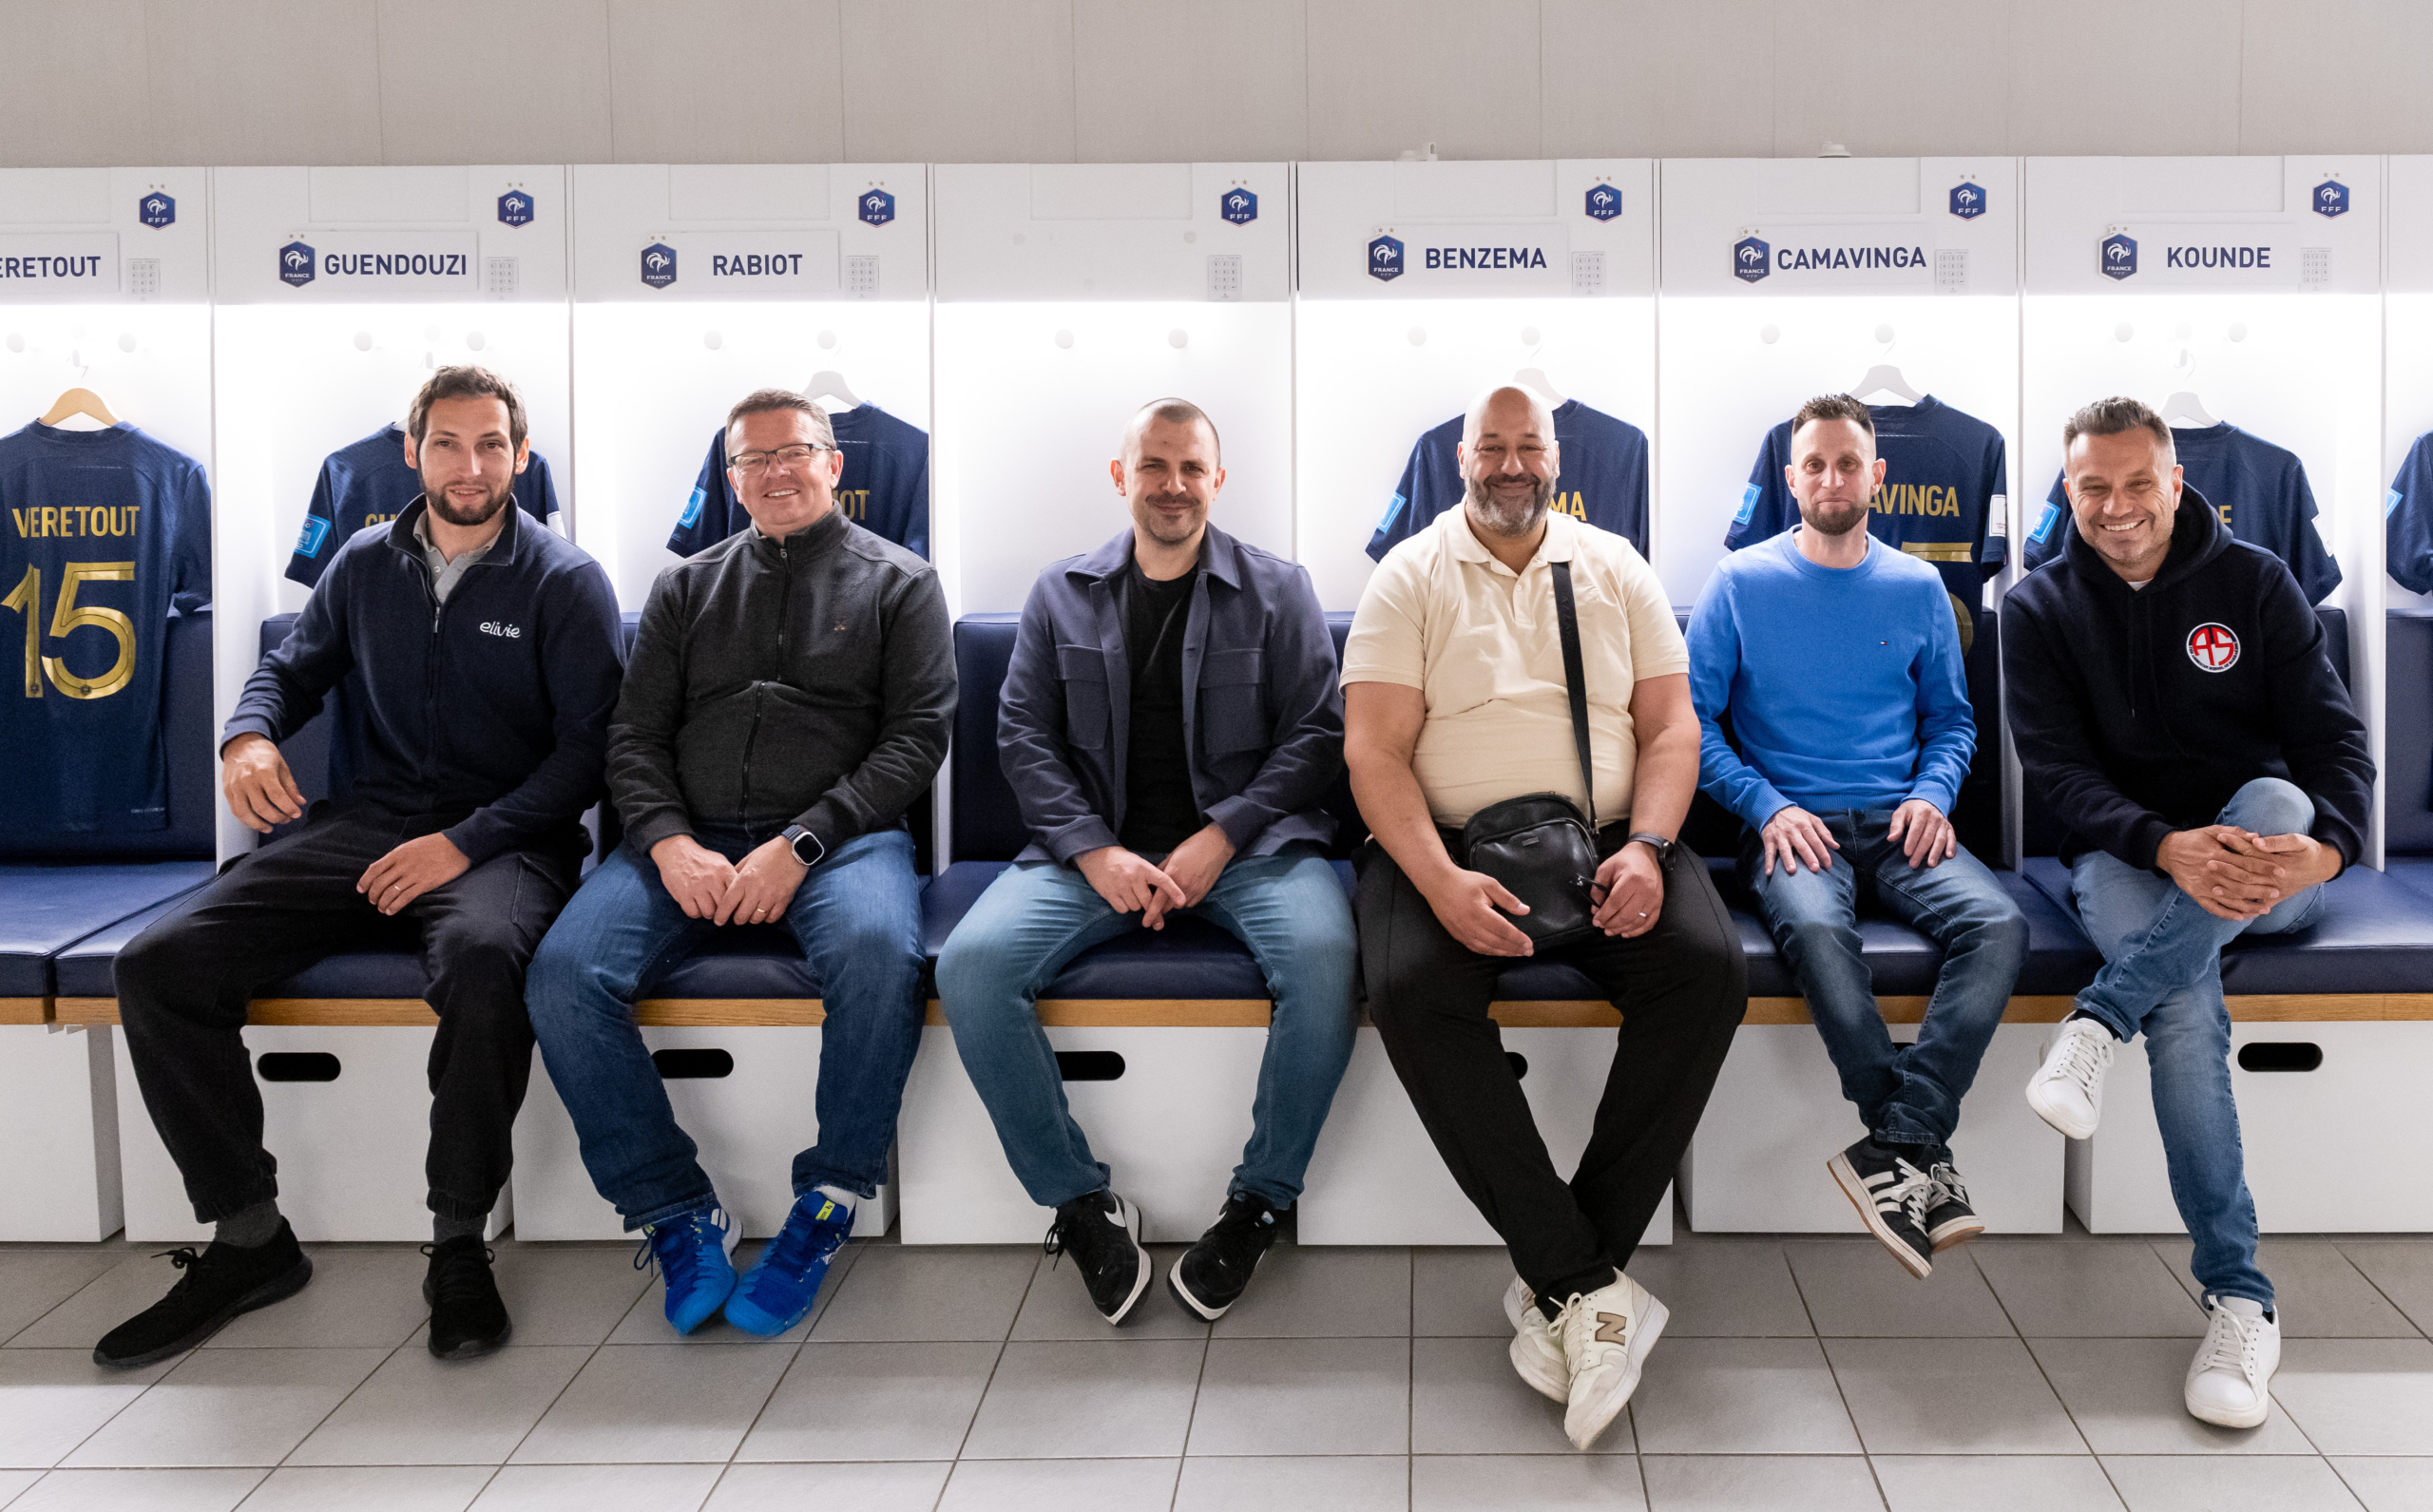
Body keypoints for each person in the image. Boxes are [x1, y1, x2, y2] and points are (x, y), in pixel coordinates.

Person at [99, 367, 623, 1368]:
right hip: (365, 825)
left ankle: (458, 1242)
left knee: (482, 963)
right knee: (158, 965)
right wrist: (247, 737)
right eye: (447, 443)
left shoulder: (564, 579)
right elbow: (289, 670)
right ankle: (250, 1238)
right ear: (412, 452)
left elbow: (587, 756)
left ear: (520, 455)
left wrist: (463, 842)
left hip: (506, 839)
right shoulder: (362, 562)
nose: (470, 466)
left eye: (491, 445)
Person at [1342, 385, 1745, 1450]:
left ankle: (1568, 1278)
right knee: (1410, 989)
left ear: (1555, 460)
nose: (1511, 464)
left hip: (1608, 839)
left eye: (1529, 447)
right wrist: (1439, 881)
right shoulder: (1408, 575)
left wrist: (1647, 847)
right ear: (1459, 458)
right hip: (1442, 846)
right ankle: (1586, 1284)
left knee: (1708, 971)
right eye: (1492, 447)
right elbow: (1373, 752)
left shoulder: (1617, 565)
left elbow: (1671, 730)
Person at [524, 389, 953, 1337]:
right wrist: (668, 839)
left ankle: (830, 1198)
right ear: (731, 479)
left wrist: (801, 843)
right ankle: (675, 1208)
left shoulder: (903, 582)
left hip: (840, 843)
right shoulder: (684, 586)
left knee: (880, 955)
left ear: (833, 463)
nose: (775, 471)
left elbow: (917, 739)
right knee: (561, 974)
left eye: (792, 451)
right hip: (686, 837)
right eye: (752, 459)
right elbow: (634, 736)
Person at [935, 398, 1354, 1326]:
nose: (1173, 484)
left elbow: (1317, 735)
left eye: (1191, 467)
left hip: (1252, 850)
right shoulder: (1059, 592)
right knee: (971, 966)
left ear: (1218, 479)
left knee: (1326, 961)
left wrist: (1222, 833)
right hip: (1091, 853)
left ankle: (1259, 1203)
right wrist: (1096, 851)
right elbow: (1022, 736)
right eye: (1154, 466)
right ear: (1121, 475)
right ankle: (1079, 1204)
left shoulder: (1278, 588)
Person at [2005, 396, 2371, 1429]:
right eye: (2093, 487)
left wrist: (2328, 851)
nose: (2116, 506)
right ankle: (2242, 1298)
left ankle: (2096, 1021)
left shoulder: (2257, 581)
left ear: (2176, 481)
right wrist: (2165, 844)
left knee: (2279, 802)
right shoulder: (2037, 606)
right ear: (2069, 490)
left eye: (2138, 483)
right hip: (2131, 856)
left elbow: (2336, 743)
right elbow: (2058, 774)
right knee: (2184, 1004)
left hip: (2266, 861)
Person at [1688, 393, 2026, 1278]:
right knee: (1816, 930)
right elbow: (1693, 726)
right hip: (1791, 828)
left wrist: (1934, 794)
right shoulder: (1738, 583)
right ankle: (1912, 1140)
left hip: (1901, 820)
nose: (1832, 478)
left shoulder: (1918, 588)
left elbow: (1953, 722)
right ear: (1790, 477)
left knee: (2000, 924)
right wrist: (1766, 807)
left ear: (1876, 475)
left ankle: (1898, 1140)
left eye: (1848, 463)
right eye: (1815, 464)